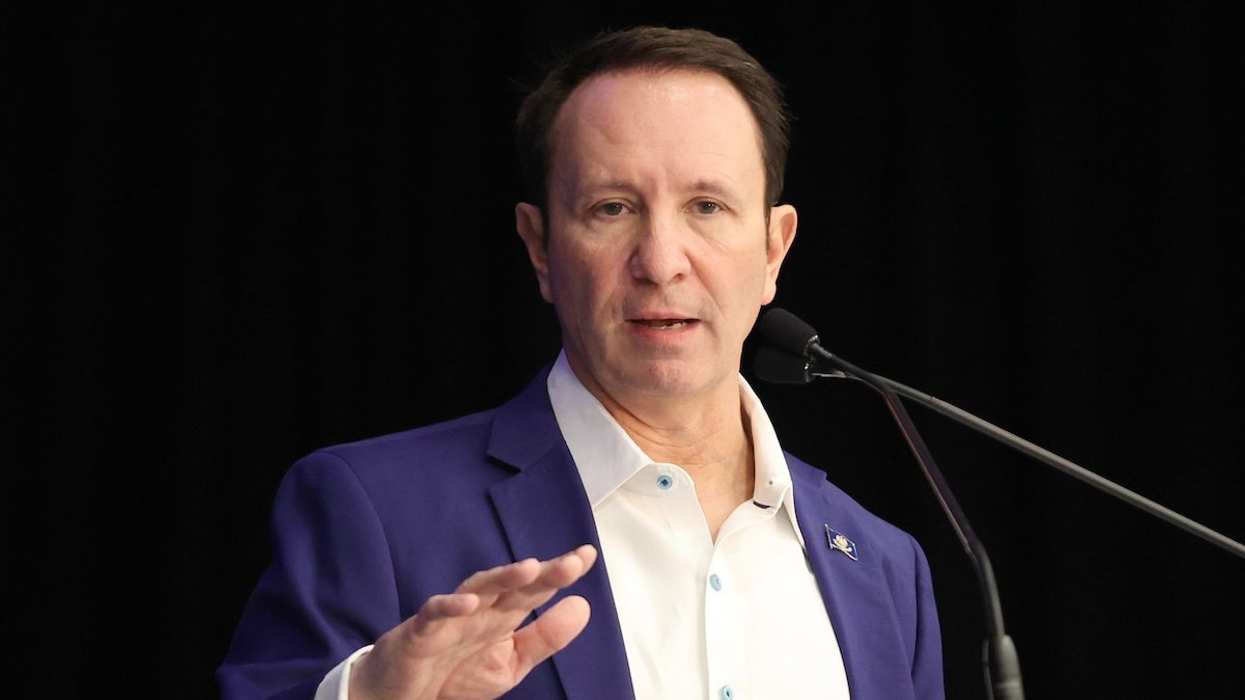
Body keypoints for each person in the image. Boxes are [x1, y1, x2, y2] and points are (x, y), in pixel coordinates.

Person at [218, 26, 944, 700]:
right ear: (539, 248)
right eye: (611, 208)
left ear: (772, 249)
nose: (660, 263)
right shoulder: (373, 510)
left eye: (707, 207)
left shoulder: (884, 567)